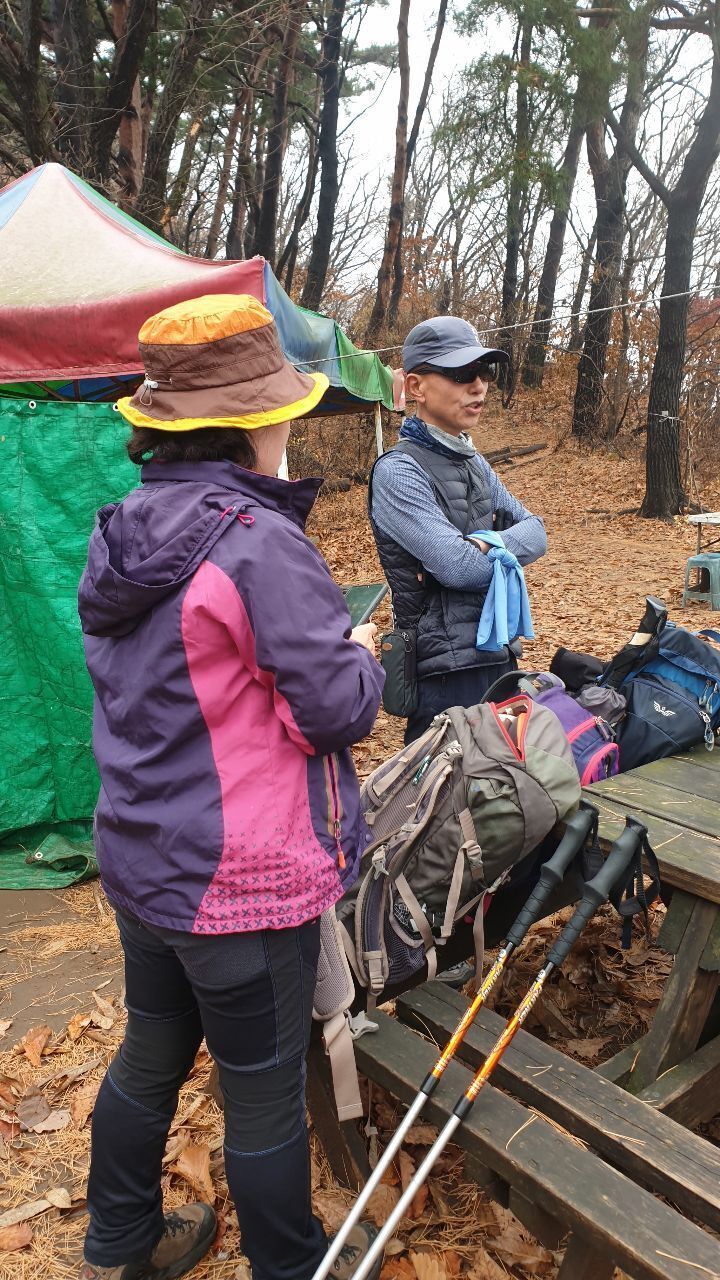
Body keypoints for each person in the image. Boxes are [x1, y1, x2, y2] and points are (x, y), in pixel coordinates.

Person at [77, 294, 385, 1280]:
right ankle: (290, 1268)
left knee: (150, 1052)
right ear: (258, 420)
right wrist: (359, 653)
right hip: (240, 881)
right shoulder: (257, 542)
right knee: (261, 1093)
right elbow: (333, 711)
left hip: (143, 860)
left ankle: (118, 1243)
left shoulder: (122, 528)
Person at [370, 315, 547, 745]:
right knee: (447, 788)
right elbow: (457, 567)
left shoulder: (475, 463)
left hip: (500, 660)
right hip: (444, 676)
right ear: (416, 387)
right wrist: (496, 552)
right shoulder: (398, 472)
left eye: (483, 372)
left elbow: (537, 533)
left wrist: (484, 543)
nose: (478, 386)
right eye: (461, 373)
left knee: (507, 783)